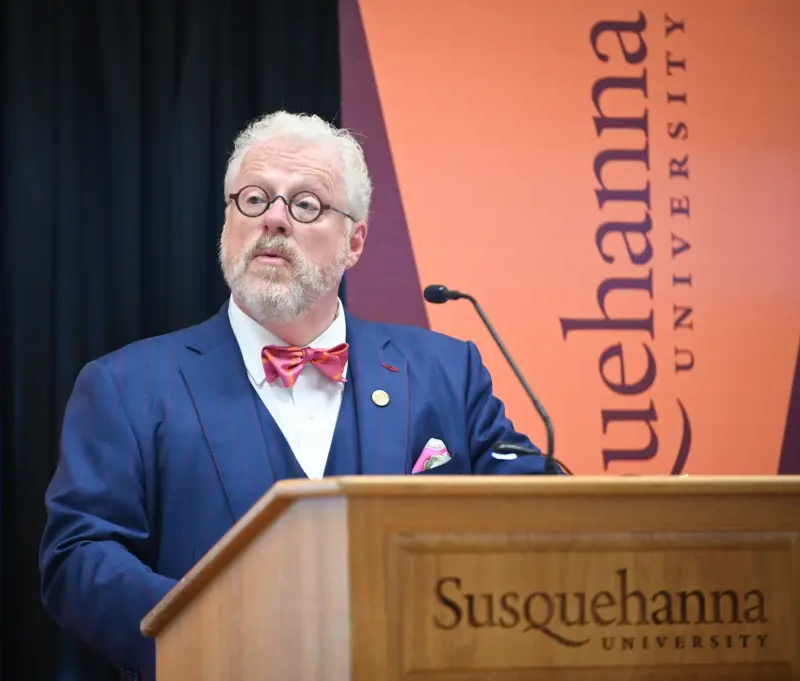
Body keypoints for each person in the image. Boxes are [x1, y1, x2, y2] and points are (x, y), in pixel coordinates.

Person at [38, 111, 564, 679]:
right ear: (227, 221)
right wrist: (212, 628)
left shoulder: (446, 371)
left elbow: (535, 507)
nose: (275, 220)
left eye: (306, 204)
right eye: (254, 200)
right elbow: (79, 558)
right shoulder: (125, 387)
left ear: (354, 241)